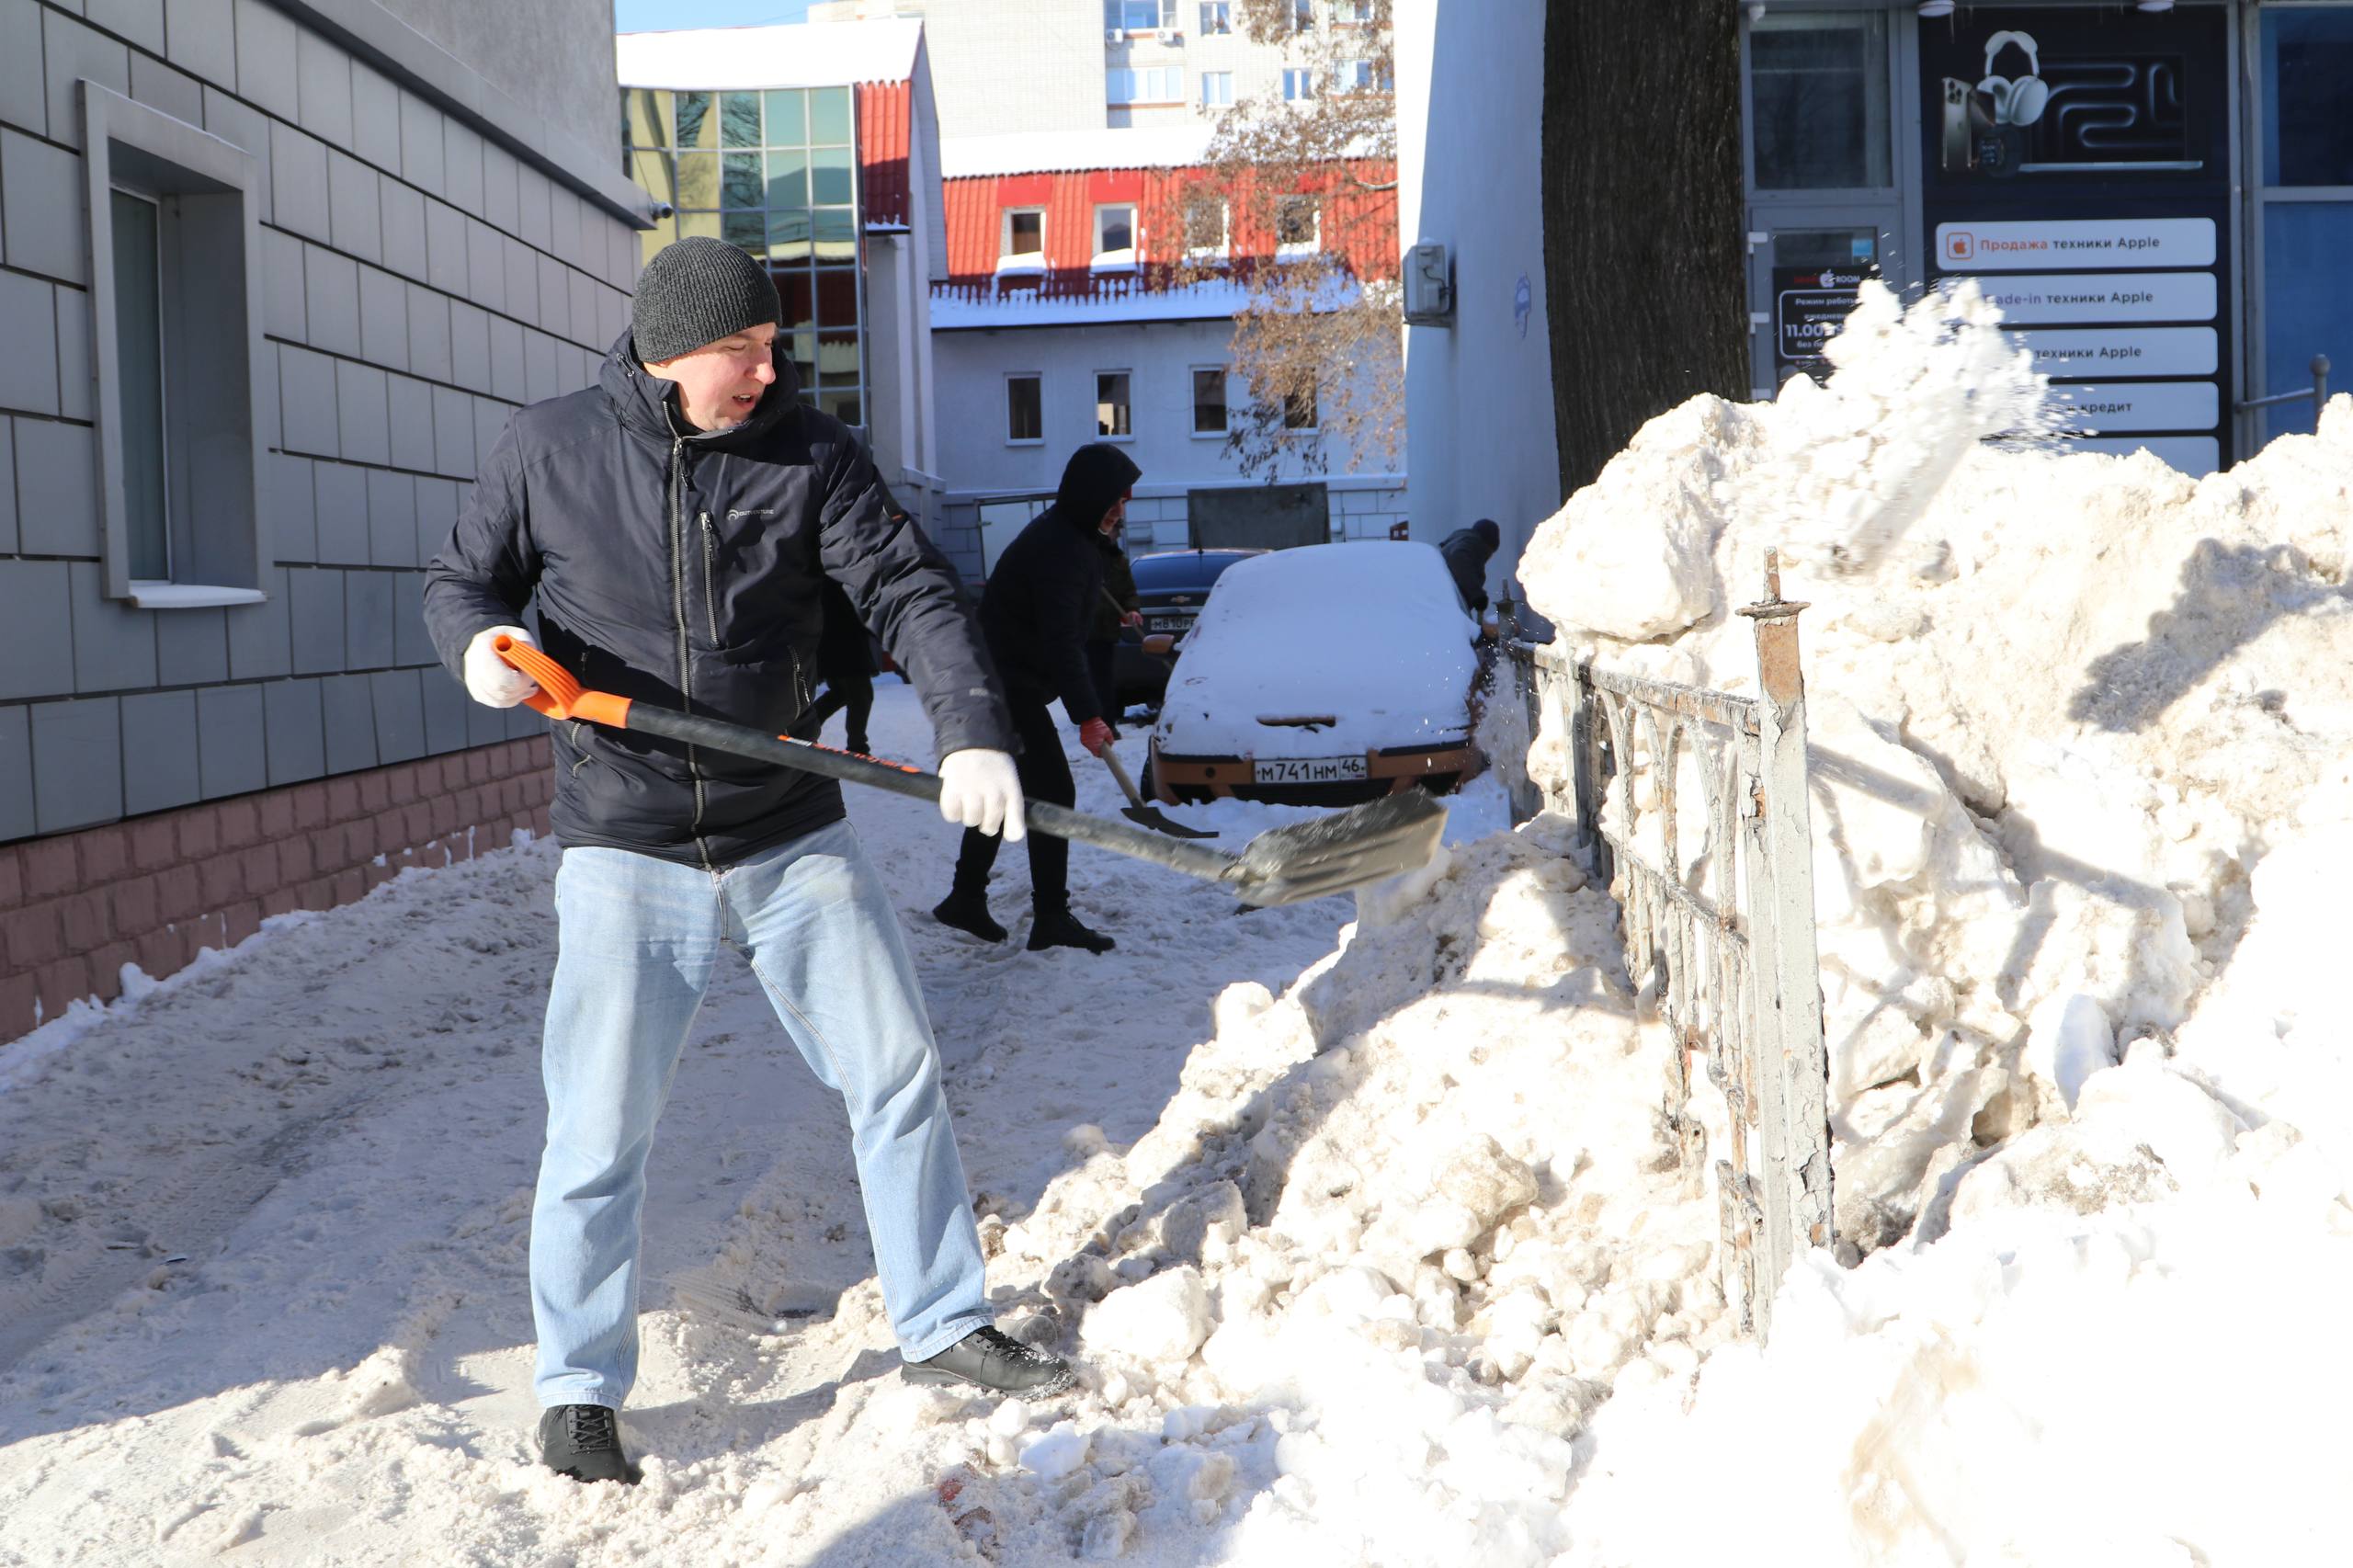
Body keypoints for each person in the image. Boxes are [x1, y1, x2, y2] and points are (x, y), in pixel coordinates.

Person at [423, 236, 1073, 1490]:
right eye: (748, 349)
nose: (771, 370)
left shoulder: (811, 456)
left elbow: (911, 593)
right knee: (600, 1125)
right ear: (673, 353)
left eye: (775, 347)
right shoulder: (547, 448)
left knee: (895, 1071)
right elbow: (464, 580)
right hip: (625, 839)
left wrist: (972, 726)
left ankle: (940, 1324)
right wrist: (482, 644)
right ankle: (576, 1388)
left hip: (787, 824)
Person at [933, 443, 1140, 957]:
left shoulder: (1072, 539)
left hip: (1005, 683)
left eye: (1125, 501)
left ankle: (965, 896)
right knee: (1053, 793)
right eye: (1113, 499)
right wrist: (1089, 716)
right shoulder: (1061, 549)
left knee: (1011, 791)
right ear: (1089, 495)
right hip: (1004, 686)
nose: (1120, 509)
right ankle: (1049, 917)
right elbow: (1060, 641)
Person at [792, 576, 880, 756]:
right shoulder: (830, 573)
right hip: (840, 639)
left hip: (840, 637)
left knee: (841, 694)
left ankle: (800, 733)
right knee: (860, 694)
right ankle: (858, 748)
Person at [1086, 514, 1144, 733]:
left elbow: (1128, 591)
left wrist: (1132, 610)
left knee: (1103, 680)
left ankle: (1107, 724)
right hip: (1083, 629)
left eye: (1117, 531)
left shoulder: (1118, 559)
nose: (1115, 535)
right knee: (1087, 679)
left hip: (1106, 630)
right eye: (1112, 530)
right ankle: (1091, 721)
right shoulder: (1086, 555)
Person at [1438, 517, 1502, 617]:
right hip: (1445, 608)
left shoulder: (1459, 541)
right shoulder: (1473, 543)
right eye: (1490, 553)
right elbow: (1459, 557)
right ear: (1488, 546)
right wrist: (1477, 595)